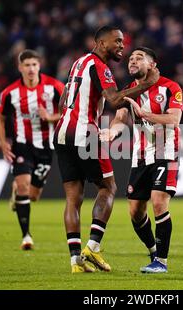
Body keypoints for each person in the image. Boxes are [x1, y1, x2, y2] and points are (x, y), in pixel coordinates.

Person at [54, 26, 160, 273]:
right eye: (118, 41)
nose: (122, 46)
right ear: (101, 43)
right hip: (83, 132)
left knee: (73, 198)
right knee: (108, 187)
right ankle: (92, 246)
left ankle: (75, 262)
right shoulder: (100, 66)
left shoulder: (77, 63)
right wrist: (147, 85)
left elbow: (63, 100)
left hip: (61, 132)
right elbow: (113, 100)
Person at [100, 47, 183, 273]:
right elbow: (120, 118)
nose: (132, 61)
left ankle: (162, 263)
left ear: (152, 64)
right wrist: (112, 132)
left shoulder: (171, 87)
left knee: (158, 201)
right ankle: (153, 250)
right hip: (140, 157)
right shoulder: (129, 91)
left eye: (139, 58)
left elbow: (174, 119)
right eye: (130, 59)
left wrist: (145, 114)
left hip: (167, 153)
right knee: (136, 212)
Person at [0, 49, 64, 250]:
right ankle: (26, 236)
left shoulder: (54, 87)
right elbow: (0, 120)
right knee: (24, 187)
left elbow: (69, 111)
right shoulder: (10, 93)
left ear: (39, 66)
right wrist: (2, 144)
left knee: (33, 196)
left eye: (34, 65)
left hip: (45, 146)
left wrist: (50, 117)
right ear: (20, 67)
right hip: (21, 145)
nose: (31, 69)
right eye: (27, 65)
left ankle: (17, 192)